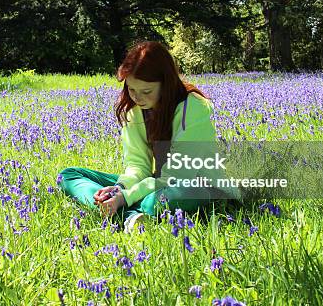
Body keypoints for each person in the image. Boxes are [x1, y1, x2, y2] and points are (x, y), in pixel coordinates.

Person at [58, 41, 240, 232]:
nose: (137, 98)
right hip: (158, 183)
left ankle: (122, 212)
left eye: (146, 91)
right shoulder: (134, 110)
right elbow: (138, 165)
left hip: (196, 186)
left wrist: (126, 197)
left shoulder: (193, 108)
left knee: (178, 195)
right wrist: (118, 189)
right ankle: (130, 216)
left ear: (166, 84)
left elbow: (178, 176)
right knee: (68, 175)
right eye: (131, 89)